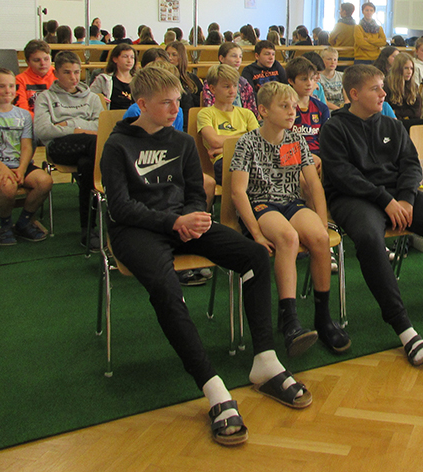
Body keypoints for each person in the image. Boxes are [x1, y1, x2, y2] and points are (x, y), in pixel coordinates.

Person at [101, 68, 307, 441]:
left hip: (184, 224)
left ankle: (265, 361)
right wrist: (173, 221)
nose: (174, 109)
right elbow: (120, 207)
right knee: (165, 286)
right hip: (137, 231)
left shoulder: (180, 142)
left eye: (177, 101)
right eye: (166, 103)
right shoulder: (118, 145)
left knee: (255, 256)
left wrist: (194, 216)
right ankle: (212, 386)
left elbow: (197, 191)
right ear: (141, 104)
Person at [320, 64, 423, 365]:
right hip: (353, 198)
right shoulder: (334, 128)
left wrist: (405, 199)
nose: (383, 93)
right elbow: (343, 175)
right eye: (375, 88)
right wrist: (386, 201)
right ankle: (404, 328)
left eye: (383, 86)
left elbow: (411, 165)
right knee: (369, 239)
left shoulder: (392, 125)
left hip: (398, 196)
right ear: (354, 94)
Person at [230, 81, 350, 357]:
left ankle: (323, 316)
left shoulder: (295, 141)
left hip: (290, 203)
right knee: (288, 238)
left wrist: (322, 220)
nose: (292, 112)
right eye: (284, 106)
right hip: (261, 205)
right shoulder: (247, 143)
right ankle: (290, 319)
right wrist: (256, 234)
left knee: (319, 238)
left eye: (293, 106)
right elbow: (238, 192)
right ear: (263, 110)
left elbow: (314, 183)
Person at [0, 68, 53, 246]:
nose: (7, 90)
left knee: (45, 181)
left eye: (11, 86)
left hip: (19, 164)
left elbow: (27, 146)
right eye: (1, 86)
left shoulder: (23, 115)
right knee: (7, 186)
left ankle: (24, 222)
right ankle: (5, 226)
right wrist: (2, 169)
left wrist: (22, 169)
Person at [34, 51, 103, 250]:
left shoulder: (92, 98)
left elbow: (101, 124)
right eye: (67, 72)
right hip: (59, 147)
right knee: (94, 144)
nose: (73, 77)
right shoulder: (45, 97)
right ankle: (104, 203)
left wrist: (69, 124)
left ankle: (87, 229)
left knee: (87, 164)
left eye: (77, 72)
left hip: (87, 148)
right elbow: (42, 130)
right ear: (56, 73)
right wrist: (80, 128)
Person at [197, 64, 259, 189]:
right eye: (226, 87)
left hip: (250, 158)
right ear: (212, 89)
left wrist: (222, 148)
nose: (232, 91)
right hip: (224, 161)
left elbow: (259, 141)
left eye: (235, 86)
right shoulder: (205, 114)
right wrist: (245, 139)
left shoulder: (247, 113)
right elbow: (214, 140)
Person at [285, 56, 330, 162]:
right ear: (291, 81)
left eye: (312, 79)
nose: (309, 83)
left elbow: (326, 140)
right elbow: (281, 141)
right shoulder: (285, 108)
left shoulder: (322, 108)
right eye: (304, 79)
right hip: (291, 156)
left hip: (318, 156)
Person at [202, 42, 257, 112]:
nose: (238, 60)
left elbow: (252, 109)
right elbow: (210, 106)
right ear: (221, 58)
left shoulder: (244, 83)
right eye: (234, 56)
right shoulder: (213, 80)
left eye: (240, 56)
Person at [384, 53, 423, 130]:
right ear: (398, 69)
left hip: (407, 121)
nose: (409, 72)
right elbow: (387, 111)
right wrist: (405, 113)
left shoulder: (413, 86)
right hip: (392, 122)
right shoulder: (387, 85)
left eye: (411, 68)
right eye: (406, 68)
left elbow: (417, 112)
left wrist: (398, 112)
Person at [90, 43, 136, 110]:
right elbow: (90, 98)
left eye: (132, 57)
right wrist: (99, 99)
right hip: (111, 114)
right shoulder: (103, 79)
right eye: (125, 57)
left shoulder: (139, 81)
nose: (129, 61)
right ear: (115, 59)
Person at [14, 39, 55, 115]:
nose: (43, 63)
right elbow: (22, 111)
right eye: (37, 60)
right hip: (32, 120)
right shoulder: (20, 80)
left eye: (46, 59)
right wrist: (41, 120)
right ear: (28, 62)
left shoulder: (59, 76)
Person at [165, 40, 204, 109]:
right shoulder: (163, 78)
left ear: (181, 57)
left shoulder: (192, 79)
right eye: (167, 55)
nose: (170, 58)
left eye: (174, 55)